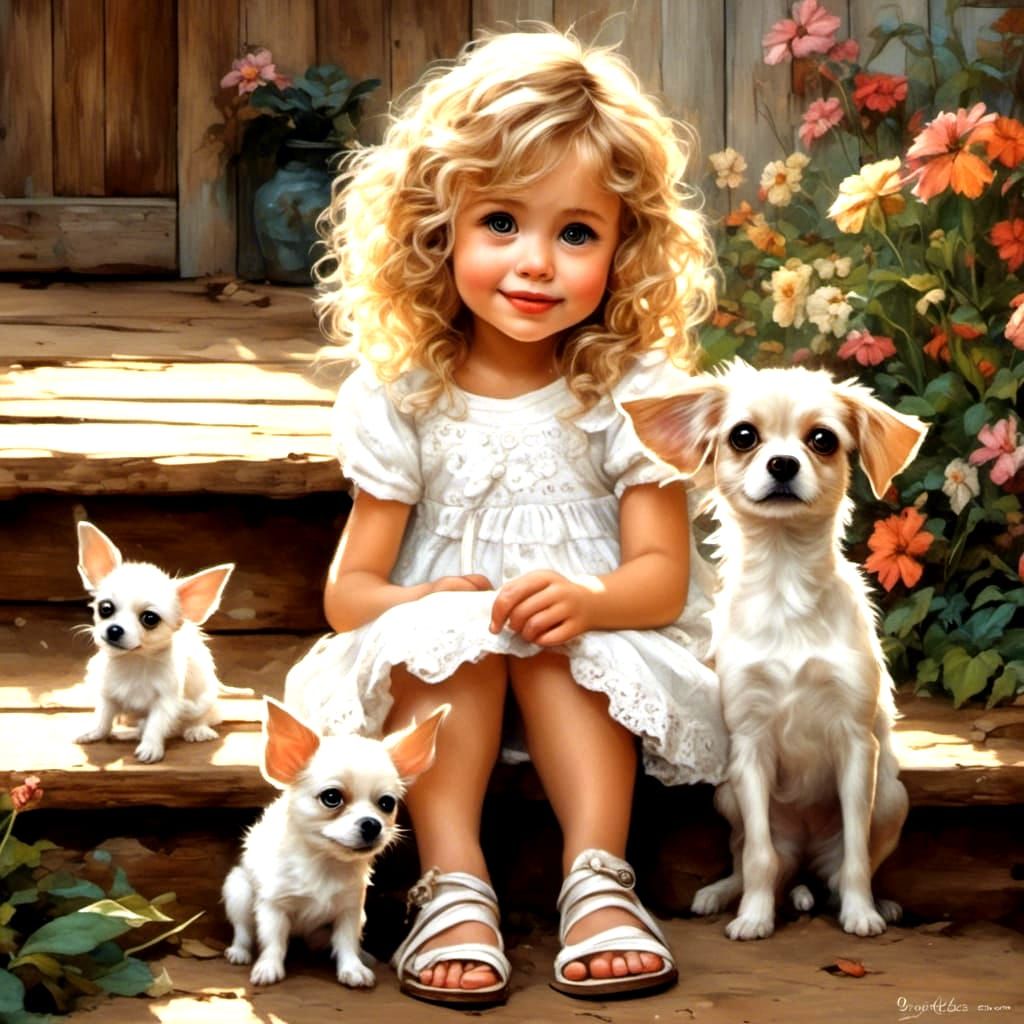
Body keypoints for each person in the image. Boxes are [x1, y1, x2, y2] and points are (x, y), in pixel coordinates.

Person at [284, 27, 727, 1007]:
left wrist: (588, 597)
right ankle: (454, 879)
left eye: (575, 232)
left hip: (602, 649)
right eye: (499, 223)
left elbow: (661, 577)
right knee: (465, 629)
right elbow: (349, 595)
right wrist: (422, 599)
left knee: (545, 629)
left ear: (625, 248)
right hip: (449, 671)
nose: (535, 263)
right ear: (436, 229)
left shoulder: (633, 388)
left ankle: (597, 875)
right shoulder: (403, 393)